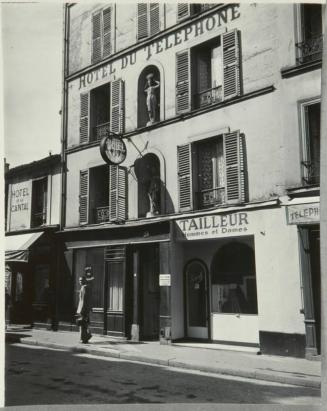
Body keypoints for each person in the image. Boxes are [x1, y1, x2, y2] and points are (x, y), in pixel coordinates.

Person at [76, 267, 94, 344]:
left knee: (82, 324)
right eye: (79, 280)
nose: (80, 281)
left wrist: (81, 310)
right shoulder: (87, 287)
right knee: (85, 324)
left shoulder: (84, 287)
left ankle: (84, 338)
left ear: (84, 280)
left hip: (83, 309)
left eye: (81, 280)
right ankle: (85, 337)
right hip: (86, 309)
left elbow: (83, 300)